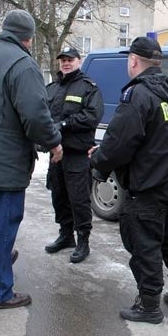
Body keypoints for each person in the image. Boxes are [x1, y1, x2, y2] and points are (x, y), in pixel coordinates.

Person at [0, 9, 63, 311]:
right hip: (2, 166)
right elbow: (35, 116)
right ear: (29, 38)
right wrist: (54, 143)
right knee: (1, 227)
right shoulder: (23, 65)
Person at [89, 36, 168, 324]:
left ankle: (149, 306)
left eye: (128, 59)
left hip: (149, 187)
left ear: (134, 61)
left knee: (144, 244)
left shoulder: (138, 94)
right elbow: (158, 137)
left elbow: (119, 143)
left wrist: (98, 163)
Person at [43, 47, 104, 263]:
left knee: (79, 200)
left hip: (77, 154)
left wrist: (65, 124)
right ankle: (65, 235)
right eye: (62, 61)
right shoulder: (52, 88)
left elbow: (92, 116)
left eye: (70, 60)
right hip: (56, 154)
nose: (66, 64)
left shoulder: (88, 88)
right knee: (59, 197)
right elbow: (43, 116)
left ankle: (83, 241)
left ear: (79, 61)